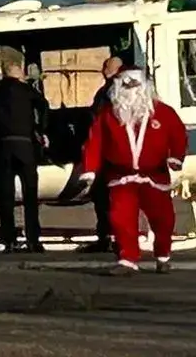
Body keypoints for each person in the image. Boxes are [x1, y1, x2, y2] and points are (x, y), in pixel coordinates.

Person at [79, 66, 187, 273]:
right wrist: (90, 169)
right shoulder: (109, 115)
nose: (131, 90)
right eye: (125, 85)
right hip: (121, 176)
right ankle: (127, 258)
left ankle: (163, 254)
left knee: (163, 219)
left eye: (135, 85)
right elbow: (95, 142)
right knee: (121, 219)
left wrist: (176, 156)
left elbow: (178, 134)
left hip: (154, 176)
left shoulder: (163, 112)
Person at [0, 52, 50, 252]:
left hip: (3, 147)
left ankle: (8, 238)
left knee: (6, 196)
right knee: (30, 194)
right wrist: (40, 129)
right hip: (25, 146)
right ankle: (33, 239)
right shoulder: (26, 90)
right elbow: (44, 105)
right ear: (18, 73)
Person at [82, 55, 123, 253]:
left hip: (110, 151)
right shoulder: (113, 90)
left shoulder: (110, 91)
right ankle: (111, 236)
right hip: (113, 151)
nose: (103, 70)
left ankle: (110, 236)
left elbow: (97, 119)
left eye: (106, 67)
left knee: (106, 196)